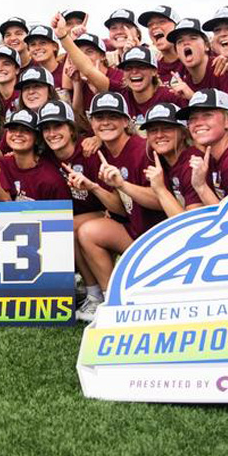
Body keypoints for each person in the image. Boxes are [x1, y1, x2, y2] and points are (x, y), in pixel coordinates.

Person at [74, 92, 154, 320]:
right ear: (92, 123)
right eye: (100, 117)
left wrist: (123, 185)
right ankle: (112, 301)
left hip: (157, 235)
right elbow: (120, 209)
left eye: (113, 116)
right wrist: (95, 187)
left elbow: (160, 199)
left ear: (126, 121)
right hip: (134, 229)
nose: (106, 122)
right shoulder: (103, 154)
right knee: (88, 231)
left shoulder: (142, 149)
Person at [39, 100, 115, 317]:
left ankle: (106, 295)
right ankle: (93, 295)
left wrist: (98, 137)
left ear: (71, 129)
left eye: (58, 127)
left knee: (66, 226)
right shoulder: (46, 157)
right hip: (79, 217)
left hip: (109, 215)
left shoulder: (89, 151)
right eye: (46, 128)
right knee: (66, 228)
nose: (52, 133)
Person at [166, 18, 228, 118]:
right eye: (180, 41)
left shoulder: (220, 67)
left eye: (193, 38)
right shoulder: (181, 78)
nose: (186, 43)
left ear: (207, 46)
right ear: (177, 52)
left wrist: (193, 97)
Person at [136, 103, 204, 218]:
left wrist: (160, 189)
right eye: (153, 130)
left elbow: (192, 225)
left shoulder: (192, 163)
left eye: (167, 128)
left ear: (183, 133)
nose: (159, 135)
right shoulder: (158, 159)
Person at [116, 46, 186, 122]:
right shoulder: (123, 99)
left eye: (141, 67)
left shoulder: (170, 97)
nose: (134, 72)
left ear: (154, 71)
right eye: (128, 68)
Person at [137, 5, 183, 85]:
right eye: (150, 25)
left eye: (162, 22)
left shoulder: (193, 60)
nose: (154, 27)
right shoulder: (152, 69)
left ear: (177, 27)